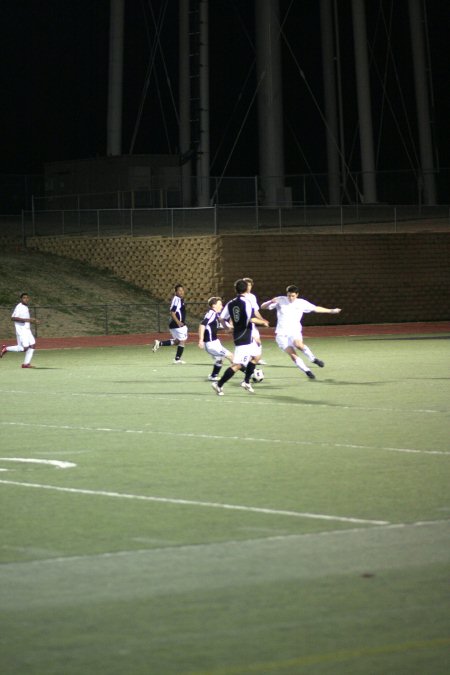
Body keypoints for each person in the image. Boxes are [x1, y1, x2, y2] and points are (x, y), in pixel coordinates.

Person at [261, 285, 341, 380]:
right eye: (289, 295)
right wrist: (271, 301)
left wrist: (331, 311)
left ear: (297, 295)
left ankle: (313, 359)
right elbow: (263, 306)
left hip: (294, 331)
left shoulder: (302, 303)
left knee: (299, 345)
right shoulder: (280, 300)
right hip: (281, 334)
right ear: (287, 294)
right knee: (293, 355)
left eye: (293, 296)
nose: (290, 298)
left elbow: (315, 308)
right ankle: (307, 371)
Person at [211, 279, 269, 396]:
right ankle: (219, 384)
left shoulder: (231, 303)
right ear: (247, 289)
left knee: (257, 356)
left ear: (235, 290)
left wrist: (226, 328)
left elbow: (221, 317)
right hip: (244, 336)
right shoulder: (247, 302)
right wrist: (263, 322)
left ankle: (246, 382)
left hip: (243, 335)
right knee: (238, 365)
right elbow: (251, 319)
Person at [198, 297, 233, 381]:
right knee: (232, 357)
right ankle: (249, 374)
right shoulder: (211, 313)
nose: (222, 306)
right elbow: (202, 325)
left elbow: (213, 326)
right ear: (214, 305)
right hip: (211, 344)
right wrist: (201, 339)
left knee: (220, 358)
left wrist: (229, 328)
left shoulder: (215, 314)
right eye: (220, 304)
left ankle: (213, 376)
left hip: (215, 342)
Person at [1, 292, 40, 368]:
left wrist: (32, 321)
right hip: (21, 331)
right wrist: (28, 320)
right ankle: (6, 348)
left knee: (32, 345)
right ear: (21, 299)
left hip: (27, 330)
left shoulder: (26, 307)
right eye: (24, 298)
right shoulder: (19, 306)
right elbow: (13, 318)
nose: (26, 299)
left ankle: (26, 364)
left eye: (27, 298)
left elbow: (27, 320)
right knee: (23, 348)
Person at [152, 284, 188, 363]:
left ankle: (159, 343)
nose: (181, 292)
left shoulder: (179, 299)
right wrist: (178, 322)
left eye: (182, 290)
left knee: (177, 341)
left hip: (173, 324)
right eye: (179, 290)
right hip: (177, 324)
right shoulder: (177, 299)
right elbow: (172, 312)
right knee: (182, 341)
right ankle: (177, 359)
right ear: (175, 292)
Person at [243, 277, 267, 365]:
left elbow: (255, 311)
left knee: (257, 340)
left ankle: (256, 358)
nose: (248, 287)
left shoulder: (252, 297)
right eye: (246, 285)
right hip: (245, 324)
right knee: (251, 341)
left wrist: (262, 320)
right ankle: (247, 359)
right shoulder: (242, 297)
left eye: (249, 285)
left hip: (252, 323)